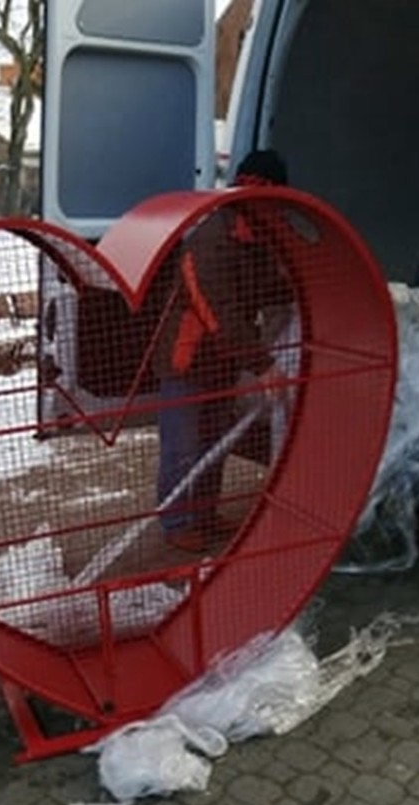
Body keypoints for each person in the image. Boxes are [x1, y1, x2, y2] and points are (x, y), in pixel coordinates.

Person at [155, 149, 295, 552]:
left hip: (221, 361)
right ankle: (177, 521)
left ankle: (203, 513)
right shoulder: (211, 238)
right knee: (182, 446)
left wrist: (305, 290)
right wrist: (264, 364)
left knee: (213, 441)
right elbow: (219, 314)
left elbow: (264, 287)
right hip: (187, 359)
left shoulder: (253, 237)